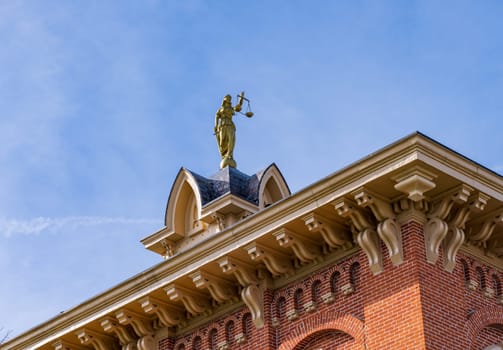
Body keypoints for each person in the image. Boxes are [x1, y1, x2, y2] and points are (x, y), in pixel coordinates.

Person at [214, 92, 250, 168]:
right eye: (228, 99)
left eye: (229, 99)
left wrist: (241, 99)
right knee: (222, 142)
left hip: (230, 125)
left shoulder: (231, 108)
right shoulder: (220, 109)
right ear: (225, 100)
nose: (229, 100)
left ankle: (229, 155)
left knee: (230, 140)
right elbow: (217, 117)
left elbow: (238, 107)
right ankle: (224, 154)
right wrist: (216, 125)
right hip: (222, 126)